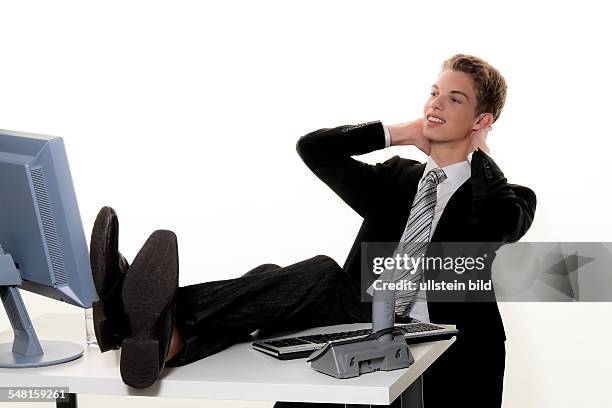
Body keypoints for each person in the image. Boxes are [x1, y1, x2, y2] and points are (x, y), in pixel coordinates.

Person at [89, 54, 536, 407]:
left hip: (432, 332)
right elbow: (315, 149)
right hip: (362, 317)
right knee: (272, 281)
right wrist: (398, 132)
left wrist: (476, 153)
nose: (436, 103)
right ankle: (164, 336)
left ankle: (148, 322)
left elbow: (502, 223)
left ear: (482, 119)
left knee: (317, 276)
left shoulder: (502, 195)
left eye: (454, 99)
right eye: (434, 93)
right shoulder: (395, 178)